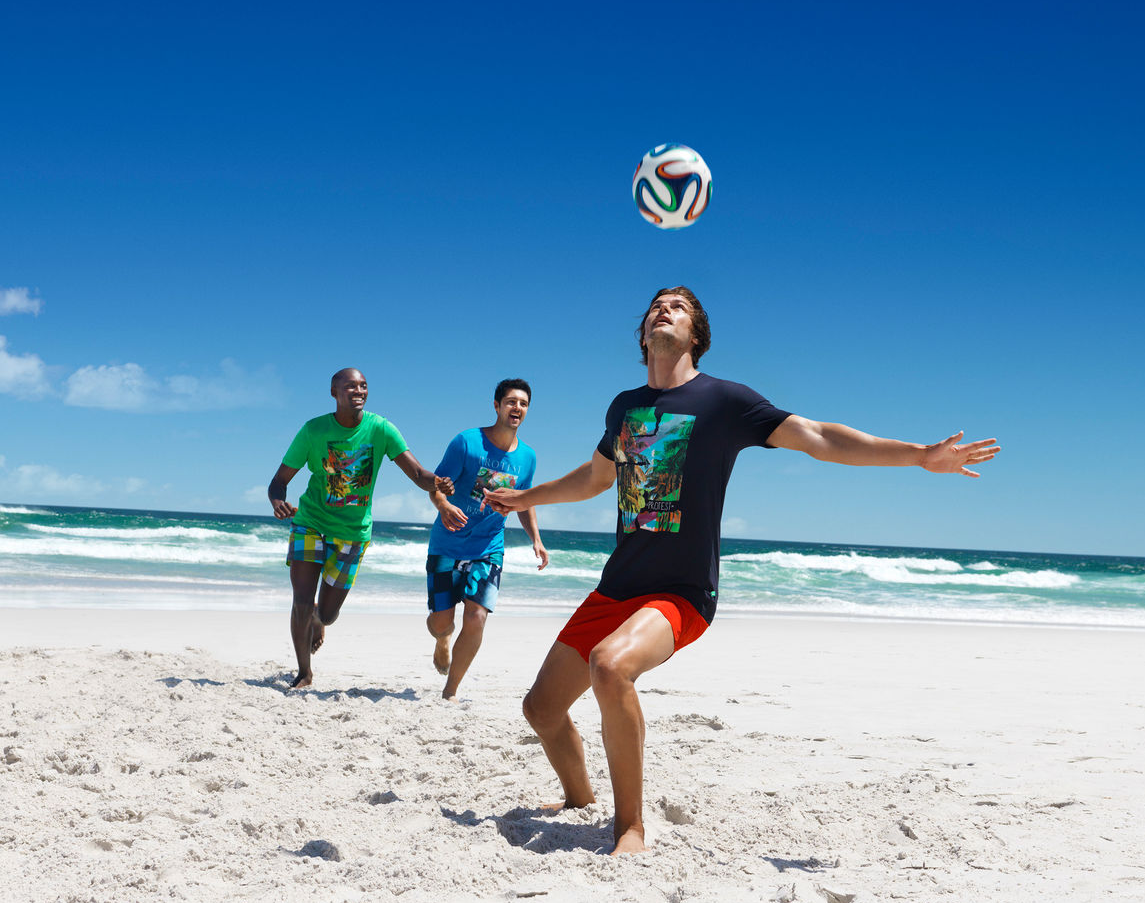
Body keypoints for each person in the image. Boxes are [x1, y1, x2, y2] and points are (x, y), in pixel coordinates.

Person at [485, 287, 1000, 854]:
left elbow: (818, 437)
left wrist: (920, 455)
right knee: (540, 709)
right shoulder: (624, 407)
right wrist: (526, 497)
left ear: (697, 335)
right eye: (657, 305)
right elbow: (596, 477)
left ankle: (630, 827)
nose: (664, 310)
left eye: (679, 307)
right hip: (618, 585)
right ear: (643, 336)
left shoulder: (723, 400)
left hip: (680, 592)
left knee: (611, 666)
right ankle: (580, 797)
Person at [268, 367, 453, 691]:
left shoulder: (381, 429)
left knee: (327, 614)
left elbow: (417, 473)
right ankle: (304, 672)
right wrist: (277, 501)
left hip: (353, 532)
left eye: (363, 386)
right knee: (301, 600)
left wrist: (436, 482)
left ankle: (318, 620)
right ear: (334, 392)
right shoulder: (313, 430)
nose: (359, 390)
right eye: (350, 385)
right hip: (310, 523)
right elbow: (279, 481)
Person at [425, 378, 550, 701]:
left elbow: (525, 501)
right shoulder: (467, 442)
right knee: (441, 623)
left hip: (488, 547)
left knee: (477, 616)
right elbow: (437, 485)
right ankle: (442, 641)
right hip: (447, 543)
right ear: (497, 406)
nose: (517, 408)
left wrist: (536, 539)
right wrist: (444, 505)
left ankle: (450, 691)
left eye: (523, 403)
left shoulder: (528, 457)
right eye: (511, 402)